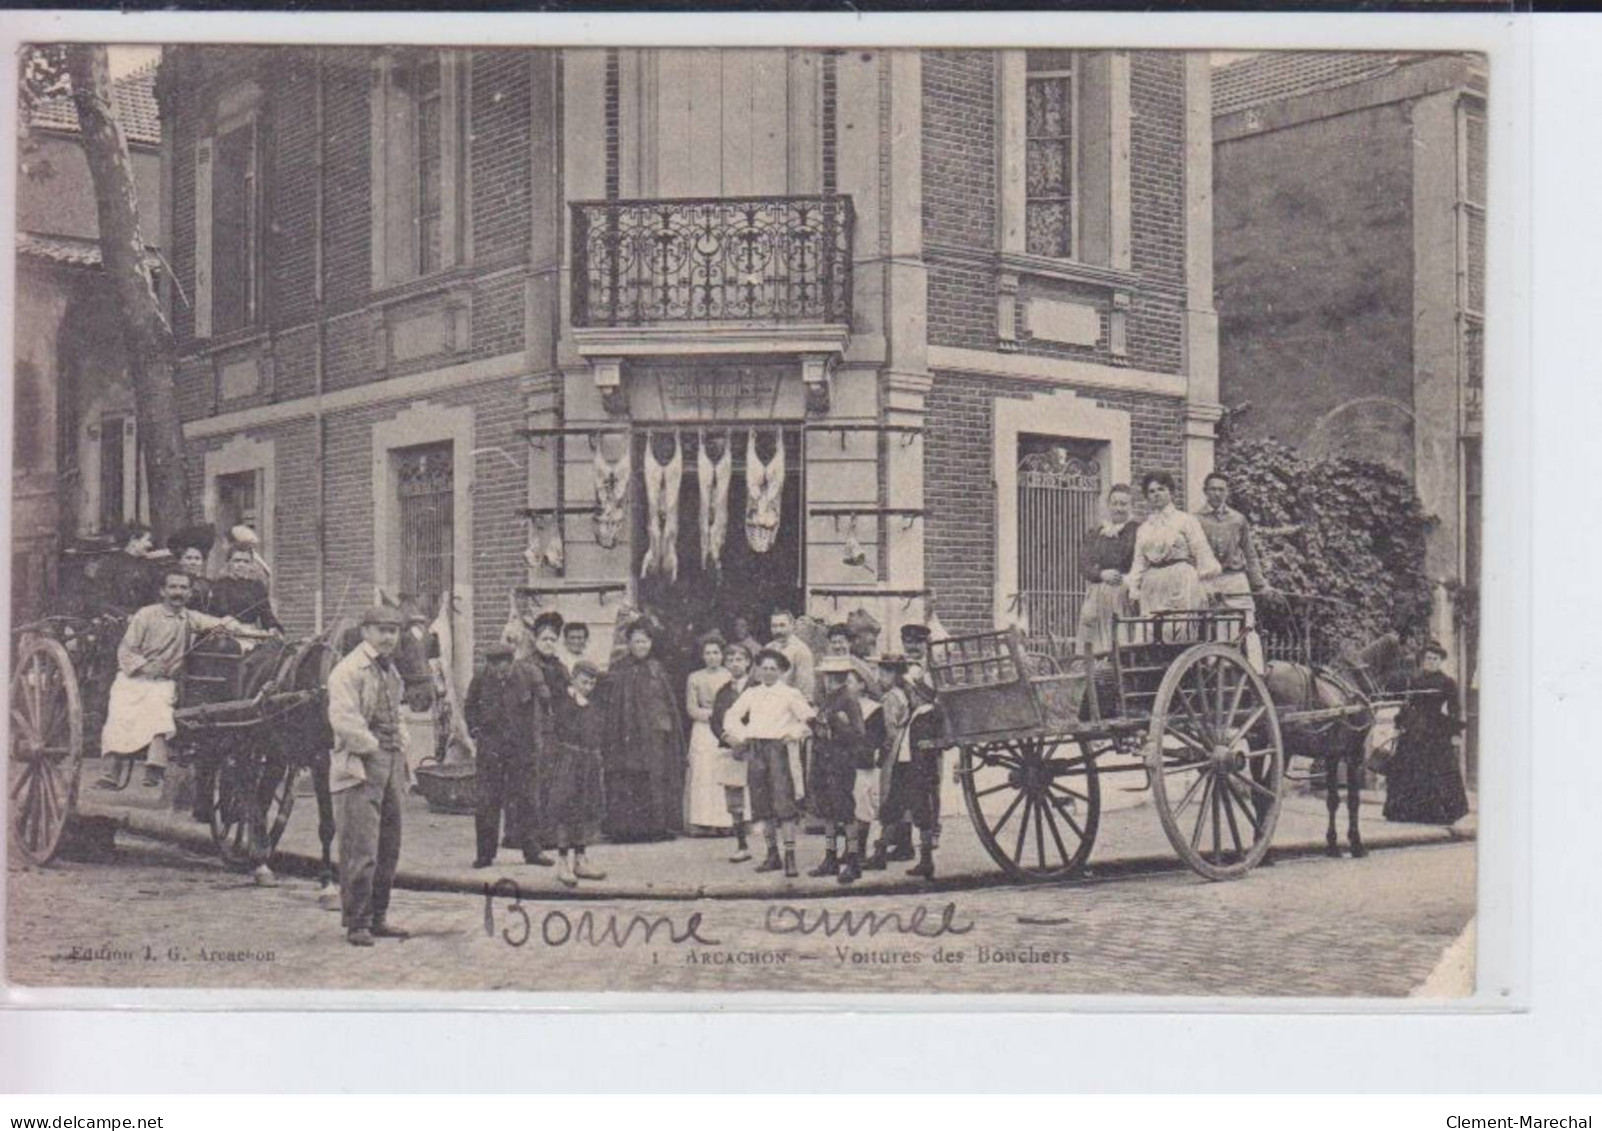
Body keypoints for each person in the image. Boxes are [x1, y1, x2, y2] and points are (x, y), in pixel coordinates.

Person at [95, 569, 240, 789]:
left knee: (160, 706)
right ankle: (111, 771)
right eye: (173, 587)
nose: (178, 592)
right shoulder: (146, 615)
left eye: (183, 588)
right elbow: (126, 651)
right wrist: (144, 666)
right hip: (133, 679)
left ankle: (154, 766)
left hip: (163, 683)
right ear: (163, 591)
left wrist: (237, 626)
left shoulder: (190, 617)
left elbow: (219, 623)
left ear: (190, 593)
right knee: (120, 711)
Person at [326, 605, 412, 946]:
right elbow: (344, 719)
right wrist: (374, 747)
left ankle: (379, 916)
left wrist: (402, 744)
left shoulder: (391, 672)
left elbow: (398, 712)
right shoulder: (348, 671)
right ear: (365, 632)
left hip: (391, 762)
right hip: (361, 763)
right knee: (361, 845)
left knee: (389, 843)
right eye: (382, 630)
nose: (389, 637)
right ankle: (357, 921)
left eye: (394, 630)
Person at [723, 648, 816, 878]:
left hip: (779, 750)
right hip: (756, 750)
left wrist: (793, 733)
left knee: (784, 804)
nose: (768, 672)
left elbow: (808, 720)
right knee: (761, 804)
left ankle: (790, 857)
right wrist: (743, 736)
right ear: (758, 669)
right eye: (764, 668)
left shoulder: (790, 693)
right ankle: (771, 854)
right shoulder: (752, 693)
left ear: (782, 671)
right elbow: (731, 716)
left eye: (773, 668)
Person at [601, 620, 685, 841]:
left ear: (651, 643)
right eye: (636, 641)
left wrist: (666, 728)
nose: (641, 646)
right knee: (627, 778)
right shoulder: (619, 668)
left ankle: (656, 827)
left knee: (656, 779)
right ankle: (626, 830)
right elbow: (612, 705)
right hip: (626, 736)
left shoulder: (657, 668)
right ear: (628, 643)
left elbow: (666, 703)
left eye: (645, 641)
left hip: (654, 735)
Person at [463, 644, 538, 870]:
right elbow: (470, 706)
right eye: (493, 665)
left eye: (502, 665)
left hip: (520, 747)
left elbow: (540, 707)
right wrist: (476, 730)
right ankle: (485, 855)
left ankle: (532, 851)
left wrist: (533, 740)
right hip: (491, 747)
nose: (498, 670)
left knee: (526, 798)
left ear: (511, 661)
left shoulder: (528, 675)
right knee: (487, 800)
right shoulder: (481, 677)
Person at [1195, 471, 1277, 666]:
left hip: (1235, 579)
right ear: (1205, 491)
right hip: (1210, 582)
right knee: (1214, 628)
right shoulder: (1195, 519)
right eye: (1212, 489)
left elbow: (1250, 553)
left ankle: (1257, 672)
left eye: (1221, 489)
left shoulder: (1238, 519)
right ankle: (1217, 671)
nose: (1216, 493)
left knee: (1246, 626)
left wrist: (1260, 584)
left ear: (1227, 492)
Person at [1383, 642, 1469, 826]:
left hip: (1435, 729)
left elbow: (1454, 708)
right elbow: (1407, 704)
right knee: (1407, 767)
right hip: (1413, 728)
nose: (1430, 662)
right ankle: (1405, 812)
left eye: (1435, 659)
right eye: (1428, 658)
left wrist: (1455, 733)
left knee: (1436, 769)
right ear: (1423, 660)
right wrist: (1398, 724)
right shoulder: (1414, 679)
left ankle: (1437, 813)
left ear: (1441, 661)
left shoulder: (1447, 682)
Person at [809, 656, 878, 882]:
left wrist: (837, 723)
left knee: (846, 813)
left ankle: (854, 861)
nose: (830, 680)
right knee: (828, 813)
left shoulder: (848, 701)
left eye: (834, 676)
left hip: (841, 762)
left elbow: (858, 734)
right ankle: (830, 857)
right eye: (828, 676)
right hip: (824, 760)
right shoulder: (828, 699)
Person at [1126, 471, 1221, 624]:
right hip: (1153, 584)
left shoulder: (1185, 520)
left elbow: (1201, 551)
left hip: (1181, 579)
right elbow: (1139, 562)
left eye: (1161, 489)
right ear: (1147, 497)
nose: (1157, 494)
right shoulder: (1144, 528)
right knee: (1154, 628)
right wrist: (1134, 589)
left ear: (1171, 492)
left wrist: (1208, 586)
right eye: (1152, 491)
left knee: (1180, 626)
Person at [549, 660, 609, 886]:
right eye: (584, 682)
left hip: (589, 761)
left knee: (586, 807)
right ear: (573, 679)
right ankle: (563, 861)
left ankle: (581, 859)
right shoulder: (564, 702)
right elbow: (559, 730)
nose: (588, 687)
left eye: (592, 683)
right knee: (565, 807)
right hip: (568, 760)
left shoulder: (592, 704)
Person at [523, 611, 568, 863]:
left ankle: (549, 835)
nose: (549, 644)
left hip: (556, 732)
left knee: (554, 783)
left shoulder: (559, 667)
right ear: (535, 639)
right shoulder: (527, 666)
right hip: (535, 732)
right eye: (545, 639)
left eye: (553, 639)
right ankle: (531, 838)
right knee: (535, 785)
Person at [1077, 484, 1139, 654]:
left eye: (1123, 504)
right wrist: (1100, 574)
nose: (1118, 508)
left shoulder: (1137, 531)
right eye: (1115, 503)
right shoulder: (1096, 533)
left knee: (1119, 640)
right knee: (1094, 642)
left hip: (1123, 594)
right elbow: (1083, 563)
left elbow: (1134, 561)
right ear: (1108, 505)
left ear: (1131, 506)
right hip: (1097, 594)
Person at [683, 632, 734, 835]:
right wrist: (713, 715)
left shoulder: (730, 675)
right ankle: (704, 822)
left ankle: (726, 822)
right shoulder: (695, 677)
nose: (712, 657)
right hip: (703, 730)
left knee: (724, 771)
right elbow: (692, 709)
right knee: (704, 774)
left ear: (722, 655)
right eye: (708, 653)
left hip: (724, 727)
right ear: (702, 656)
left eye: (716, 652)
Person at [709, 642, 755, 862]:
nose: (735, 664)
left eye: (740, 659)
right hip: (731, 749)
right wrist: (728, 739)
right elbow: (715, 721)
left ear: (748, 662)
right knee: (734, 800)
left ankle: (771, 848)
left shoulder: (757, 688)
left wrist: (747, 741)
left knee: (761, 796)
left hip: (755, 748)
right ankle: (742, 845)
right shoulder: (723, 691)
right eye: (731, 660)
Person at [207, 543, 284, 636]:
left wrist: (272, 626)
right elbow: (219, 612)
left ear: (251, 564)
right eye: (237, 561)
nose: (241, 565)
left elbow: (266, 612)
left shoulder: (257, 586)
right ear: (228, 563)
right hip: (225, 632)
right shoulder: (220, 585)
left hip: (251, 633)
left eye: (246, 561)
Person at [92, 522, 160, 615]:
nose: (150, 545)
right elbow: (102, 601)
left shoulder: (149, 565)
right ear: (133, 541)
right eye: (147, 540)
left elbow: (155, 596)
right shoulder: (110, 565)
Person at [767, 609, 816, 703]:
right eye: (774, 626)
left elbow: (805, 691)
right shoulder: (768, 648)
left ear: (792, 626)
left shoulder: (801, 651)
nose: (778, 630)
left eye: (782, 625)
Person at [166, 525, 216, 612]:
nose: (193, 562)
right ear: (180, 561)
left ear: (202, 562)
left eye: (197, 559)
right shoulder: (172, 582)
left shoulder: (208, 584)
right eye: (189, 558)